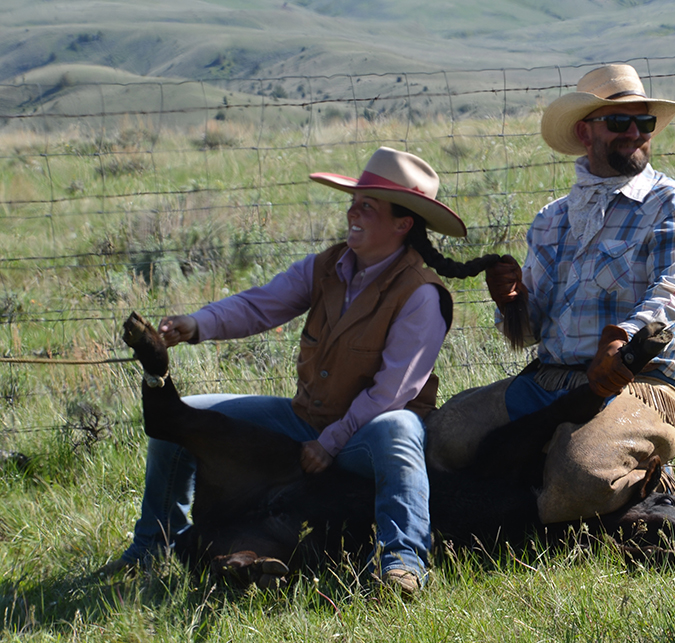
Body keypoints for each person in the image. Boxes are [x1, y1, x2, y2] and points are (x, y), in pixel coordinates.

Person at [99, 147, 493, 597]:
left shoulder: (422, 296)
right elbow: (260, 304)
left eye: (368, 206)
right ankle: (152, 545)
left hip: (365, 437)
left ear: (403, 224)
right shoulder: (327, 266)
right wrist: (196, 325)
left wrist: (330, 442)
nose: (353, 212)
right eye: (353, 202)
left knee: (400, 428)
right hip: (305, 418)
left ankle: (402, 560)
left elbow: (392, 392)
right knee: (183, 419)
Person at [425, 63, 675, 525]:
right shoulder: (552, 218)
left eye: (645, 122)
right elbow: (532, 324)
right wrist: (512, 301)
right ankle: (575, 504)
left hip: (642, 383)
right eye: (619, 122)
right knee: (444, 435)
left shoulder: (672, 203)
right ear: (586, 132)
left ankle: (625, 491)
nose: (635, 132)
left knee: (580, 473)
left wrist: (626, 339)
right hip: (550, 380)